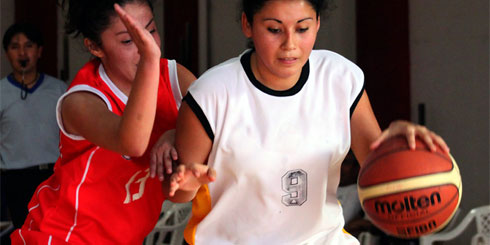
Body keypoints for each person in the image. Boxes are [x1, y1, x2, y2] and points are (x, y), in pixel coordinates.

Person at [168, 0, 450, 244]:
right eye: (274, 29)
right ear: (247, 25)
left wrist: (397, 143)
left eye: (302, 29)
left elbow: (375, 166)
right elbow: (179, 195)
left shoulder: (339, 78)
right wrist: (188, 183)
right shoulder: (213, 93)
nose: (290, 44)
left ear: (317, 23)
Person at [10, 0, 213, 244]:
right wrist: (149, 60)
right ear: (95, 47)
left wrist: (177, 141)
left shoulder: (176, 79)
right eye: (129, 40)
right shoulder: (81, 101)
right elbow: (133, 143)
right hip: (63, 236)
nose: (147, 45)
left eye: (150, 31)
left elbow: (179, 193)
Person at [0, 22, 67, 232]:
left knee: (53, 233)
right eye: (15, 47)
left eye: (28, 45)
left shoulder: (60, 90)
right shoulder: (1, 92)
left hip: (52, 176)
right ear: (7, 53)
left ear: (39, 51)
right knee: (21, 234)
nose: (22, 52)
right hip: (12, 179)